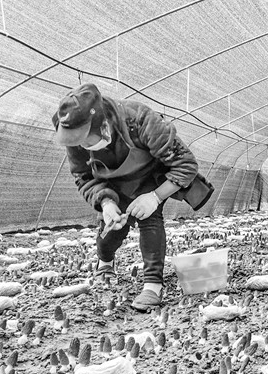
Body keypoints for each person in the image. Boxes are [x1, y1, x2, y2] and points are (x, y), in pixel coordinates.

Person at [52, 83, 210, 310]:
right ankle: (105, 261)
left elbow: (186, 164)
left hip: (150, 176)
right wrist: (106, 202)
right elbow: (83, 177)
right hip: (112, 184)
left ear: (104, 126)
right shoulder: (75, 137)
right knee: (111, 231)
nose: (81, 146)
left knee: (150, 219)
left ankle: (153, 285)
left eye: (86, 140)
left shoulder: (140, 120)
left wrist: (155, 197)